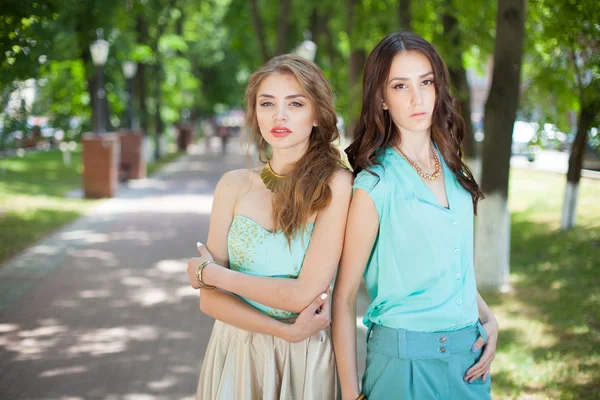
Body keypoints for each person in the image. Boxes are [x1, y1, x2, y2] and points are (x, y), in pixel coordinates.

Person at [332, 32, 499, 400]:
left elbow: (453, 270)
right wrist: (348, 393)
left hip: (469, 364)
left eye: (426, 82)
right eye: (400, 85)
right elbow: (343, 298)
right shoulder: (375, 184)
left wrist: (488, 318)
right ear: (382, 97)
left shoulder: (454, 171)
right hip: (403, 368)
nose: (417, 97)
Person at [187, 54, 353, 400]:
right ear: (255, 113)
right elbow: (210, 303)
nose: (279, 115)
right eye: (267, 103)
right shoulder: (232, 185)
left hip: (302, 358)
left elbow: (302, 295)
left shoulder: (336, 184)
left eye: (295, 103)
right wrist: (282, 331)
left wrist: (215, 275)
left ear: (318, 114)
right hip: (234, 350)